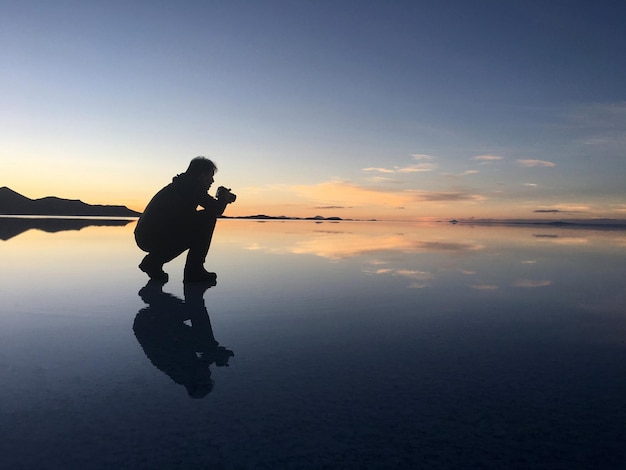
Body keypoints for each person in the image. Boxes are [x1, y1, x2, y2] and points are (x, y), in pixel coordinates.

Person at [134, 156, 236, 283]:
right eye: (210, 176)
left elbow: (212, 207)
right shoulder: (190, 187)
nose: (212, 181)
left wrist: (223, 200)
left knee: (200, 223)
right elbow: (215, 210)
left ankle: (153, 262)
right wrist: (223, 198)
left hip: (148, 235)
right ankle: (194, 271)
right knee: (207, 218)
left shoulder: (184, 185)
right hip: (152, 236)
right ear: (201, 175)